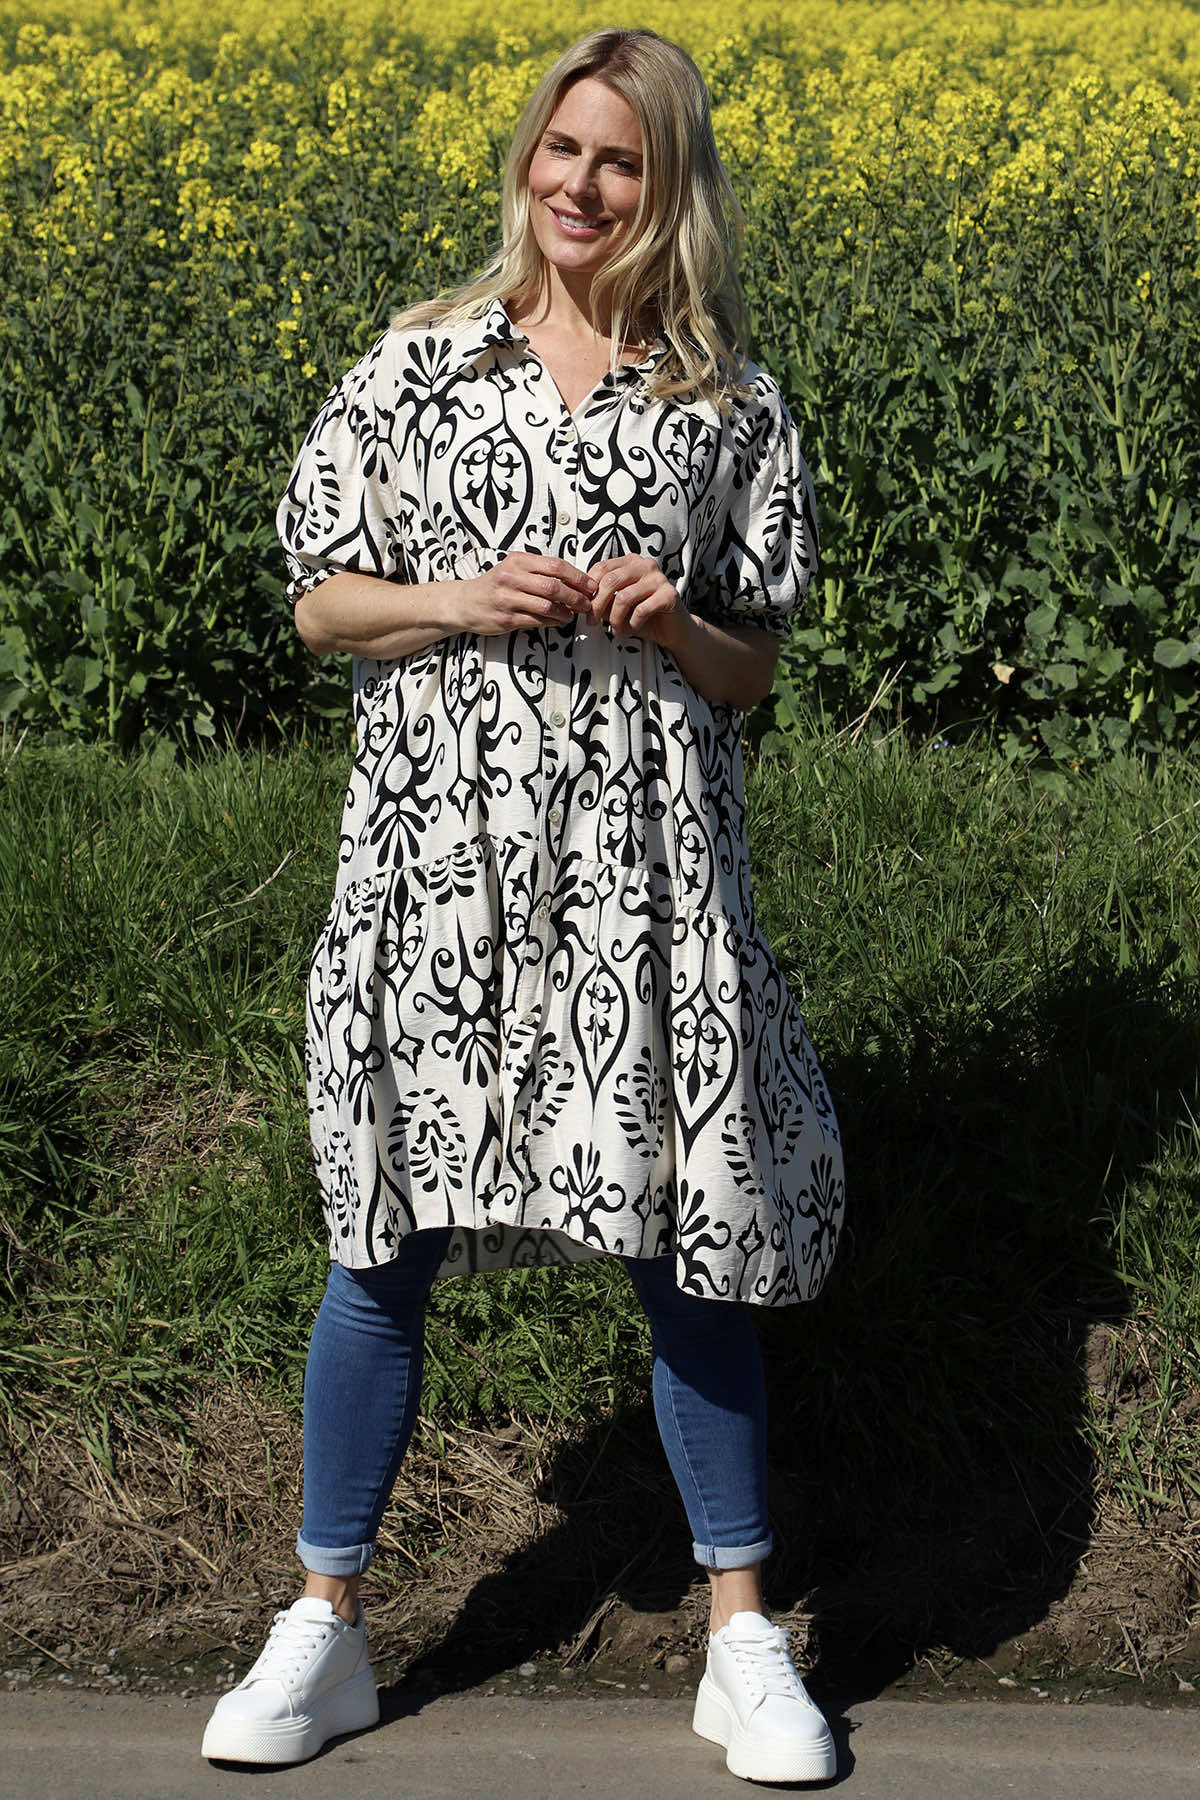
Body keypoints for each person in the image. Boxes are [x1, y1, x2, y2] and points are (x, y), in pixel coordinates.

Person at [201, 26, 844, 1786]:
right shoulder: (419, 363)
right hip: (438, 862)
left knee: (682, 1233)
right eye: (563, 149)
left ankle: (741, 1640)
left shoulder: (727, 400)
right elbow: (319, 602)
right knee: (385, 1238)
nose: (581, 185)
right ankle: (326, 1627)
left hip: (645, 872)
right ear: (526, 159)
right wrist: (457, 598)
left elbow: (754, 667)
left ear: (669, 186)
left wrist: (670, 620)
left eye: (621, 160)